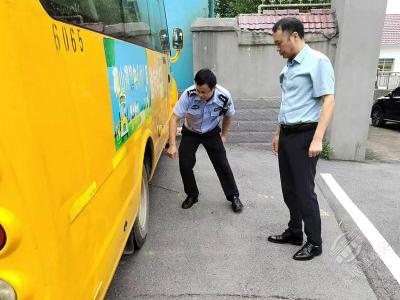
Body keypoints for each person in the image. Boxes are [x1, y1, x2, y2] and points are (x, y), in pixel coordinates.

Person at [268, 18, 335, 261]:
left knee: (304, 191)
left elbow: (329, 100)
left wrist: (317, 139)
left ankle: (314, 242)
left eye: (279, 43)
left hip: (306, 135)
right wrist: (277, 134)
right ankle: (295, 232)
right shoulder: (288, 68)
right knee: (289, 189)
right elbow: (286, 104)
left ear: (294, 36)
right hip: (287, 134)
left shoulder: (318, 62)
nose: (278, 48)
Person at [167, 69, 243, 213]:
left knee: (222, 164)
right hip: (191, 131)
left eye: (203, 92)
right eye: (198, 90)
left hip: (211, 131)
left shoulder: (224, 96)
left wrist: (224, 135)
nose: (199, 94)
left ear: (213, 89)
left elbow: (228, 115)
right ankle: (192, 195)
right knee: (185, 164)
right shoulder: (188, 95)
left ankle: (233, 196)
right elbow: (174, 118)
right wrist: (172, 144)